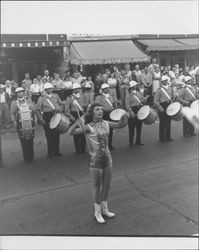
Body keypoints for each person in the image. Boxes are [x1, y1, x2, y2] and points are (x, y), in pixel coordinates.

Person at [67, 102, 129, 223]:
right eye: (97, 109)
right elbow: (70, 132)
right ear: (92, 113)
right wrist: (79, 120)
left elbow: (121, 125)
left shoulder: (106, 123)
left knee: (107, 186)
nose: (100, 111)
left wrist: (124, 115)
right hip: (95, 160)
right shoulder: (88, 127)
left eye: (101, 109)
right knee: (96, 187)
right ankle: (97, 212)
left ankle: (105, 209)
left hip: (108, 158)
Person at [36, 83, 63, 158]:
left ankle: (57, 151)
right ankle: (50, 152)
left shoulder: (56, 96)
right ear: (45, 90)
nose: (51, 89)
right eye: (49, 88)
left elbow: (61, 104)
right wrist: (41, 119)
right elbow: (37, 110)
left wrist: (59, 108)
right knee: (49, 135)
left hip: (55, 115)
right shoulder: (41, 98)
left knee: (56, 134)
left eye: (51, 88)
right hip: (47, 116)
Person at [10, 87, 35, 162]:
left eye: (22, 92)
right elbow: (12, 113)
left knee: (30, 140)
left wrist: (35, 118)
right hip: (20, 123)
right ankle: (26, 158)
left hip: (30, 122)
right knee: (23, 141)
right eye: (19, 92)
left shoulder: (28, 100)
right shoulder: (14, 102)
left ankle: (31, 156)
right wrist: (14, 121)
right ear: (17, 94)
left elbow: (33, 110)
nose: (21, 93)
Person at [64, 83, 86, 154]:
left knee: (83, 132)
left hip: (82, 115)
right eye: (75, 89)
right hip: (74, 115)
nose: (77, 90)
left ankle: (83, 149)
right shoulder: (69, 98)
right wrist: (71, 117)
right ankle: (77, 149)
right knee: (76, 133)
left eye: (78, 88)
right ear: (73, 89)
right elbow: (66, 110)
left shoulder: (83, 96)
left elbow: (85, 107)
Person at [154, 75, 174, 143]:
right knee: (162, 122)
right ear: (162, 82)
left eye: (166, 80)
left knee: (168, 122)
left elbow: (173, 97)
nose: (165, 82)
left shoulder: (170, 88)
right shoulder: (159, 90)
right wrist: (159, 107)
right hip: (162, 106)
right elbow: (155, 100)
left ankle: (168, 137)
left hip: (169, 105)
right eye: (164, 81)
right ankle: (162, 138)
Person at [125, 80, 145, 146]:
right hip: (132, 110)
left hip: (139, 109)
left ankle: (138, 141)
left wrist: (143, 100)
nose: (135, 86)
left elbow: (142, 99)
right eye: (133, 86)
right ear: (131, 87)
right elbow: (127, 105)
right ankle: (131, 142)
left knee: (139, 126)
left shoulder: (139, 93)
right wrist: (131, 112)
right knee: (131, 127)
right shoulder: (128, 94)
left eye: (135, 85)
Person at [95, 83, 115, 150]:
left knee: (110, 130)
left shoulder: (110, 97)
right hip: (103, 115)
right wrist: (102, 108)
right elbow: (96, 106)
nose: (107, 89)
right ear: (102, 90)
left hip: (110, 114)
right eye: (105, 88)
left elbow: (112, 105)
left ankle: (110, 144)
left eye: (108, 88)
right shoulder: (99, 97)